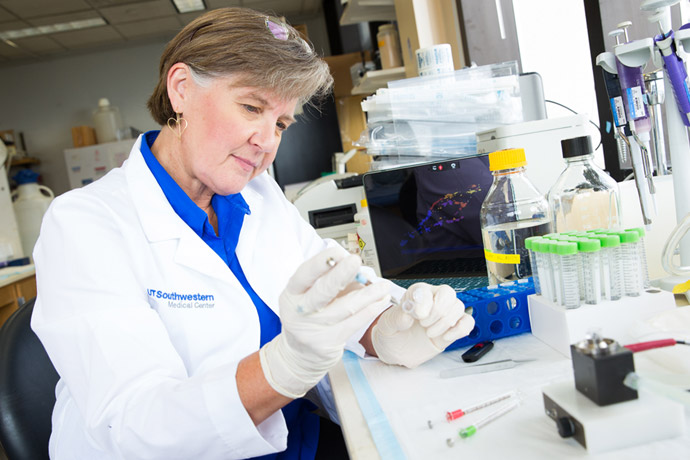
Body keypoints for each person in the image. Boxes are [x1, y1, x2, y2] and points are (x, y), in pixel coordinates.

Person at [31, 7, 475, 460]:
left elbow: (340, 289)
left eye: (281, 124)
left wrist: (389, 329)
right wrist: (284, 367)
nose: (266, 141)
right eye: (251, 107)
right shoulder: (85, 224)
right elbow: (133, 424)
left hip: (300, 440)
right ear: (181, 89)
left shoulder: (260, 196)